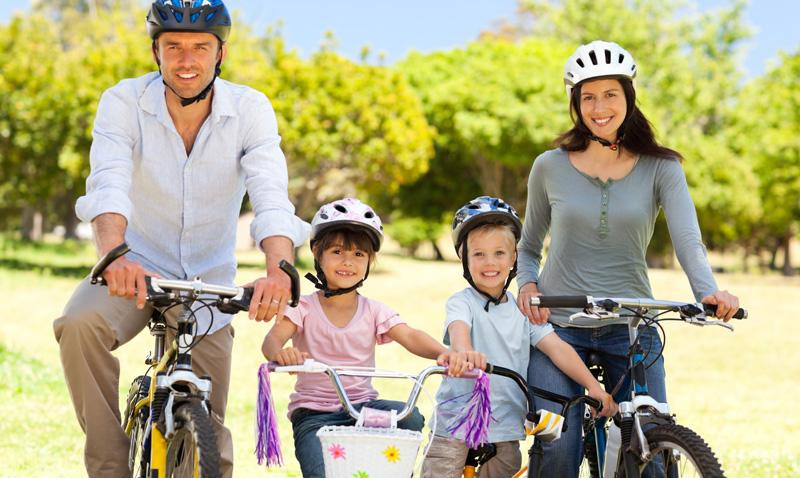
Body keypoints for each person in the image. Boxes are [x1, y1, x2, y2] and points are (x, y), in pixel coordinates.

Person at [53, 0, 310, 478]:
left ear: (221, 53)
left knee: (209, 430)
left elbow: (271, 193)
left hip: (210, 278)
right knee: (78, 325)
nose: (186, 60)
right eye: (173, 46)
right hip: (133, 270)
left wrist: (279, 269)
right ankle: (109, 467)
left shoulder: (250, 109)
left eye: (200, 47)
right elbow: (107, 182)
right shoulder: (124, 101)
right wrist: (115, 256)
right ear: (156, 51)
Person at [517, 40, 741, 477]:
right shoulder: (549, 166)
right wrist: (528, 284)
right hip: (559, 327)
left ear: (629, 98)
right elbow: (528, 247)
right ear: (576, 104)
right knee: (558, 446)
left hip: (632, 324)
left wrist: (707, 291)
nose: (599, 107)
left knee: (649, 442)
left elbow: (688, 240)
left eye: (610, 94)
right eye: (588, 97)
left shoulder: (662, 168)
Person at [262, 197, 479, 478]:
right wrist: (280, 353)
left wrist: (445, 353)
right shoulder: (303, 308)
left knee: (410, 417)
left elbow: (410, 335)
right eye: (337, 252)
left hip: (363, 407)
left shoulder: (373, 311)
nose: (348, 262)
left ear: (370, 261)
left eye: (358, 255)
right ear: (317, 252)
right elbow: (271, 341)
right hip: (314, 414)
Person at [421, 196, 616, 478]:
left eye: (499, 253)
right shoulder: (462, 302)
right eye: (479, 254)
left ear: (514, 258)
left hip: (505, 427)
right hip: (456, 425)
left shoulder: (521, 312)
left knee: (508, 467)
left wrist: (593, 388)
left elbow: (558, 349)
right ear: (464, 258)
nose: (490, 263)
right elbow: (459, 331)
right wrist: (464, 353)